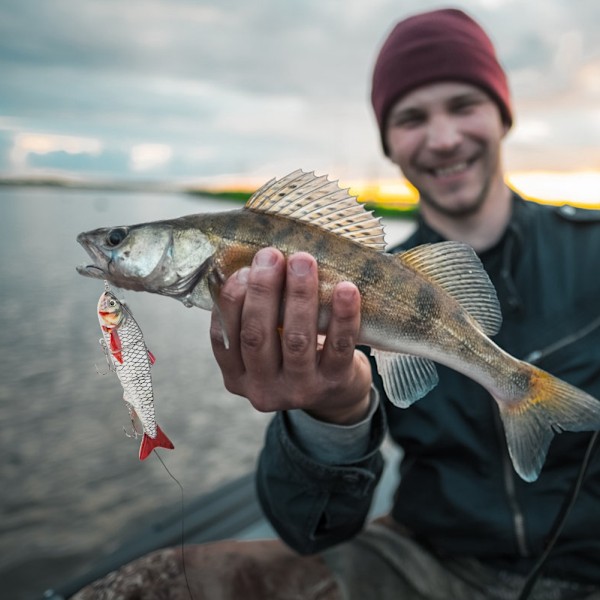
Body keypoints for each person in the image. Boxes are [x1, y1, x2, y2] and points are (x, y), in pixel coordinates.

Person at [73, 8, 600, 600]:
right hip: (426, 559)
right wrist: (331, 414)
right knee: (151, 587)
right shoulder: (366, 281)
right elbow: (313, 529)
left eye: (463, 105)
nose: (443, 137)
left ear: (503, 115)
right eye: (412, 117)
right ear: (390, 142)